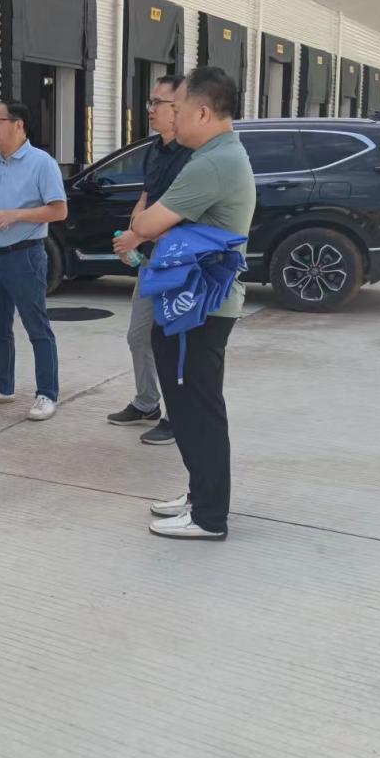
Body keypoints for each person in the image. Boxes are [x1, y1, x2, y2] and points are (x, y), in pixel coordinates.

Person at [128, 66, 256, 540]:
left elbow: (144, 225)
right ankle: (199, 495)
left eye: (177, 110)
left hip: (200, 309)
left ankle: (208, 516)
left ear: (203, 112)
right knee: (189, 407)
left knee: (197, 409)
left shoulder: (213, 163)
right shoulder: (218, 155)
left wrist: (146, 227)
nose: (172, 118)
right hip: (197, 303)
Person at [0, 100, 67, 421]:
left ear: (18, 125)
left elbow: (59, 210)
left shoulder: (42, 163)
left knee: (37, 326)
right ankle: (3, 386)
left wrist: (16, 215)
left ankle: (47, 394)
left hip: (25, 256)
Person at [110, 75, 193, 446]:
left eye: (159, 103)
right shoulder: (154, 149)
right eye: (151, 101)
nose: (151, 109)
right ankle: (147, 402)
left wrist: (141, 235)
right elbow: (146, 197)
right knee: (138, 335)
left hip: (178, 259)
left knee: (172, 340)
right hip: (151, 258)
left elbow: (180, 213)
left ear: (179, 109)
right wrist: (133, 235)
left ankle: (178, 416)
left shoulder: (193, 156)